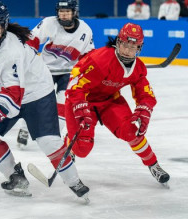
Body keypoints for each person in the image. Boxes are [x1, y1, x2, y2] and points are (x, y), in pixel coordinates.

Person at [0, 0, 89, 200]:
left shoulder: (12, 51)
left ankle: (74, 181)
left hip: (36, 93)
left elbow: (14, 95)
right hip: (7, 91)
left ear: (4, 26)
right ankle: (16, 178)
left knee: (48, 142)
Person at [64, 23, 170, 187]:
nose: (128, 50)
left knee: (131, 131)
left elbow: (145, 93)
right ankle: (69, 143)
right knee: (82, 149)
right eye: (125, 45)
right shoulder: (98, 60)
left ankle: (153, 164)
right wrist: (79, 107)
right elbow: (74, 85)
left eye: (133, 46)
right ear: (118, 42)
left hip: (109, 101)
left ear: (139, 48)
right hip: (82, 101)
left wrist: (144, 109)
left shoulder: (138, 68)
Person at [16, 0, 94, 148]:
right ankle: (24, 129)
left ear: (74, 12)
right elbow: (32, 40)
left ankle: (56, 136)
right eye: (61, 11)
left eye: (67, 12)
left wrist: (87, 72)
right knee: (35, 101)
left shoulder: (85, 30)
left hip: (68, 73)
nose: (63, 15)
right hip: (45, 70)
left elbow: (88, 56)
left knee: (63, 103)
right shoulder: (49, 23)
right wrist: (27, 59)